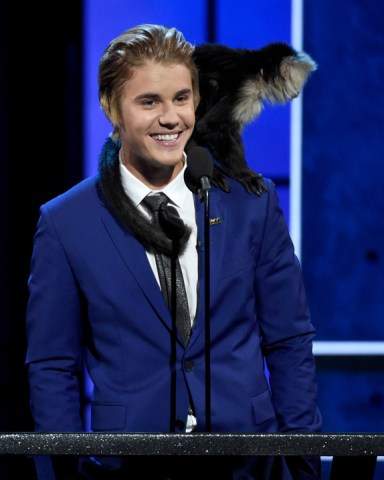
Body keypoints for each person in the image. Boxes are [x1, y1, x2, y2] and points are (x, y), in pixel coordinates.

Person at [25, 23, 322, 479]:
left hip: (249, 465)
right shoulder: (66, 222)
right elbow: (53, 367)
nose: (171, 118)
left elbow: (288, 341)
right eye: (150, 102)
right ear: (111, 108)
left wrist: (303, 470)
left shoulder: (252, 203)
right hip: (127, 468)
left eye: (182, 99)